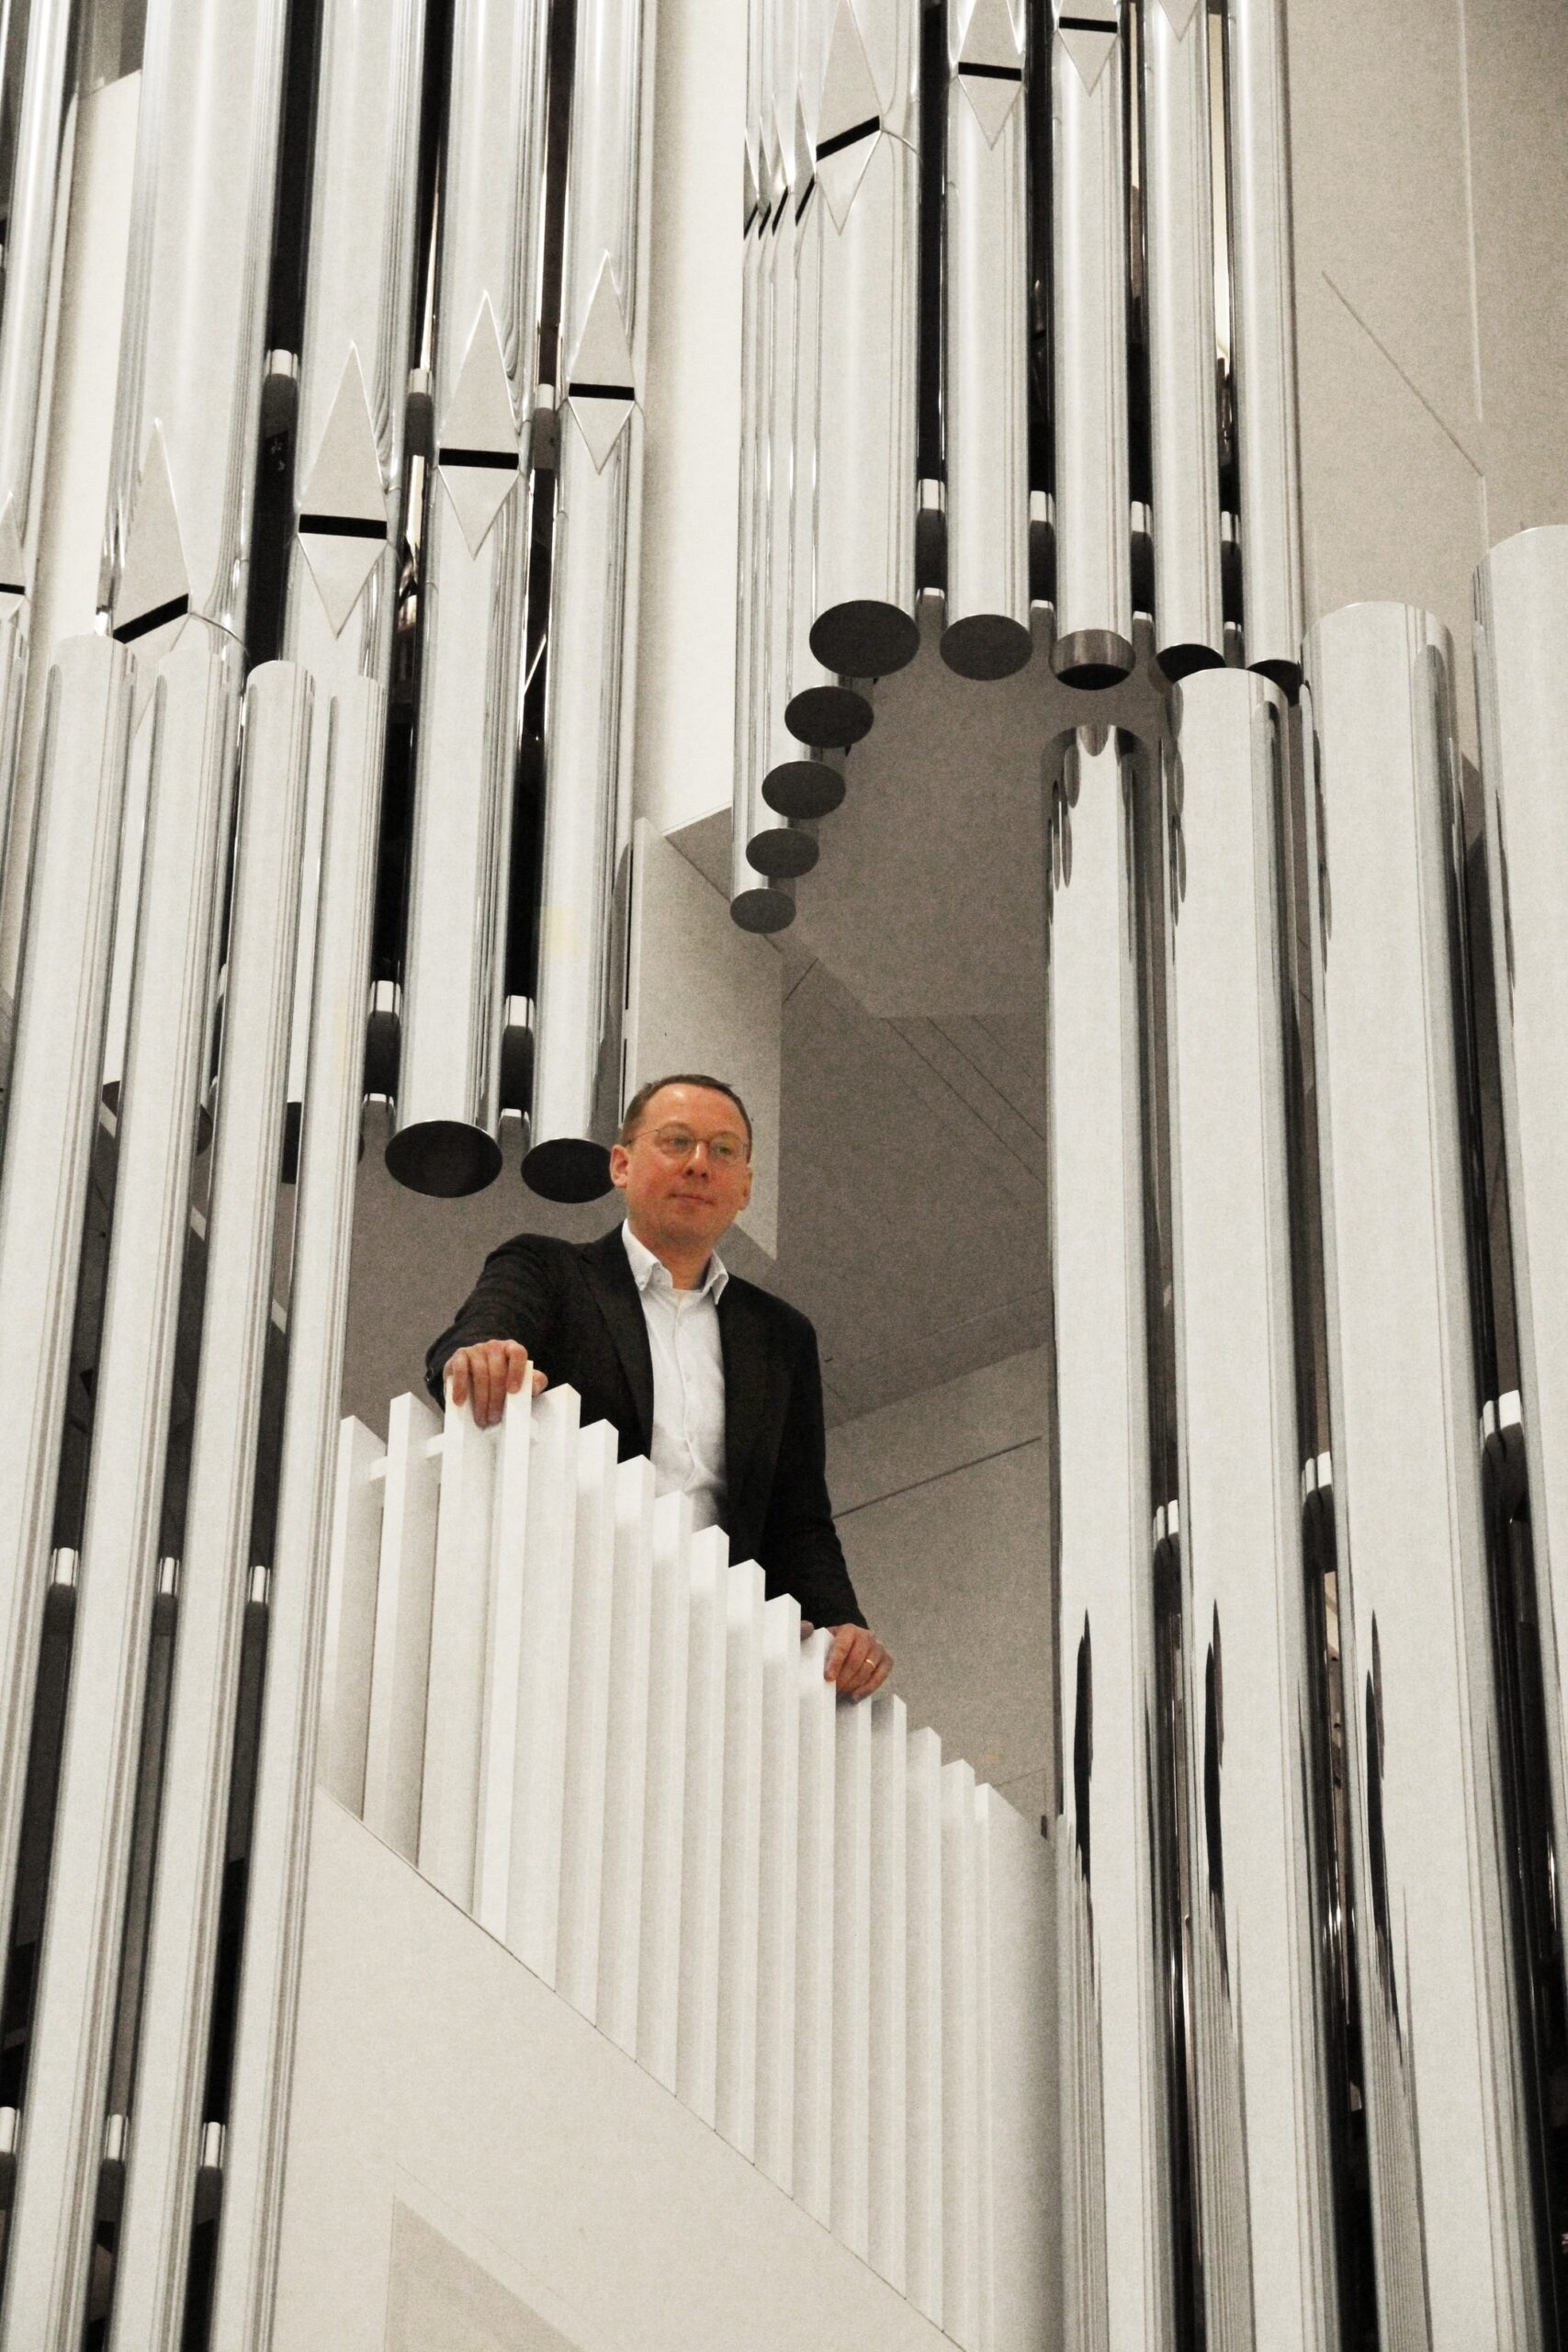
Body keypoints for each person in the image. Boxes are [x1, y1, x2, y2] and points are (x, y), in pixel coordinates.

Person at [426, 1073, 893, 1702]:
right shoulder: (546, 1268)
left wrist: (840, 1619)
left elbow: (797, 1515)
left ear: (745, 1187)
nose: (699, 1164)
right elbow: (471, 1342)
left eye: (723, 1150)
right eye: (676, 1142)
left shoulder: (781, 1336)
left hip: (712, 1648)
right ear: (621, 1165)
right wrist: (481, 1356)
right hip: (565, 1608)